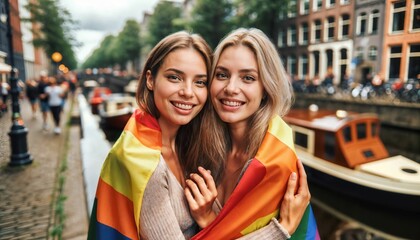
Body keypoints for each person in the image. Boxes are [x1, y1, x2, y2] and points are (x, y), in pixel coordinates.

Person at [88, 31, 310, 240]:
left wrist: (208, 219)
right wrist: (281, 231)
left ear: (267, 88)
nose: (188, 92)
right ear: (150, 80)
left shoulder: (195, 143)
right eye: (175, 77)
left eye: (200, 82)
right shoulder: (145, 163)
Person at [184, 28, 318, 239]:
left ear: (266, 87)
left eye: (247, 78)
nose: (231, 88)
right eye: (222, 75)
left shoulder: (279, 167)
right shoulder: (202, 145)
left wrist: (208, 221)